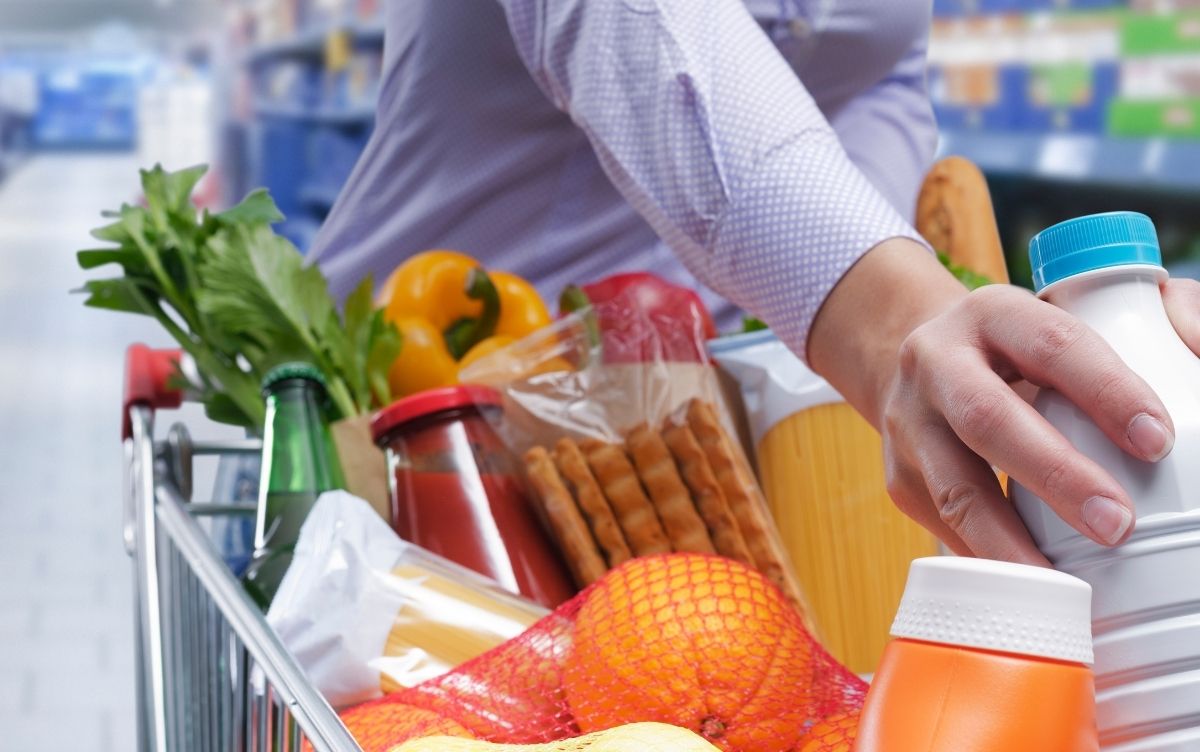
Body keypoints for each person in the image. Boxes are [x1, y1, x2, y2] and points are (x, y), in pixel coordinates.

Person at [310, 0, 1200, 566]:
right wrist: (899, 327)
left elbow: (879, 71)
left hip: (665, 423)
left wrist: (924, 352)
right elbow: (637, 28)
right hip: (401, 425)